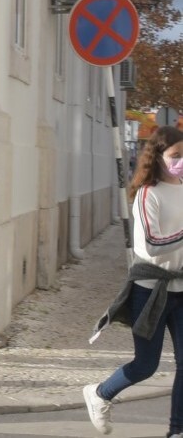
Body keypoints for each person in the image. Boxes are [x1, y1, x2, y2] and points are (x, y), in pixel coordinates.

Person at [87, 125, 183, 437]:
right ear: (158, 157)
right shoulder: (147, 194)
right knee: (146, 365)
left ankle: (177, 430)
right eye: (176, 155)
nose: (181, 161)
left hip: (181, 289)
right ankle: (100, 394)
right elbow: (154, 244)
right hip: (150, 290)